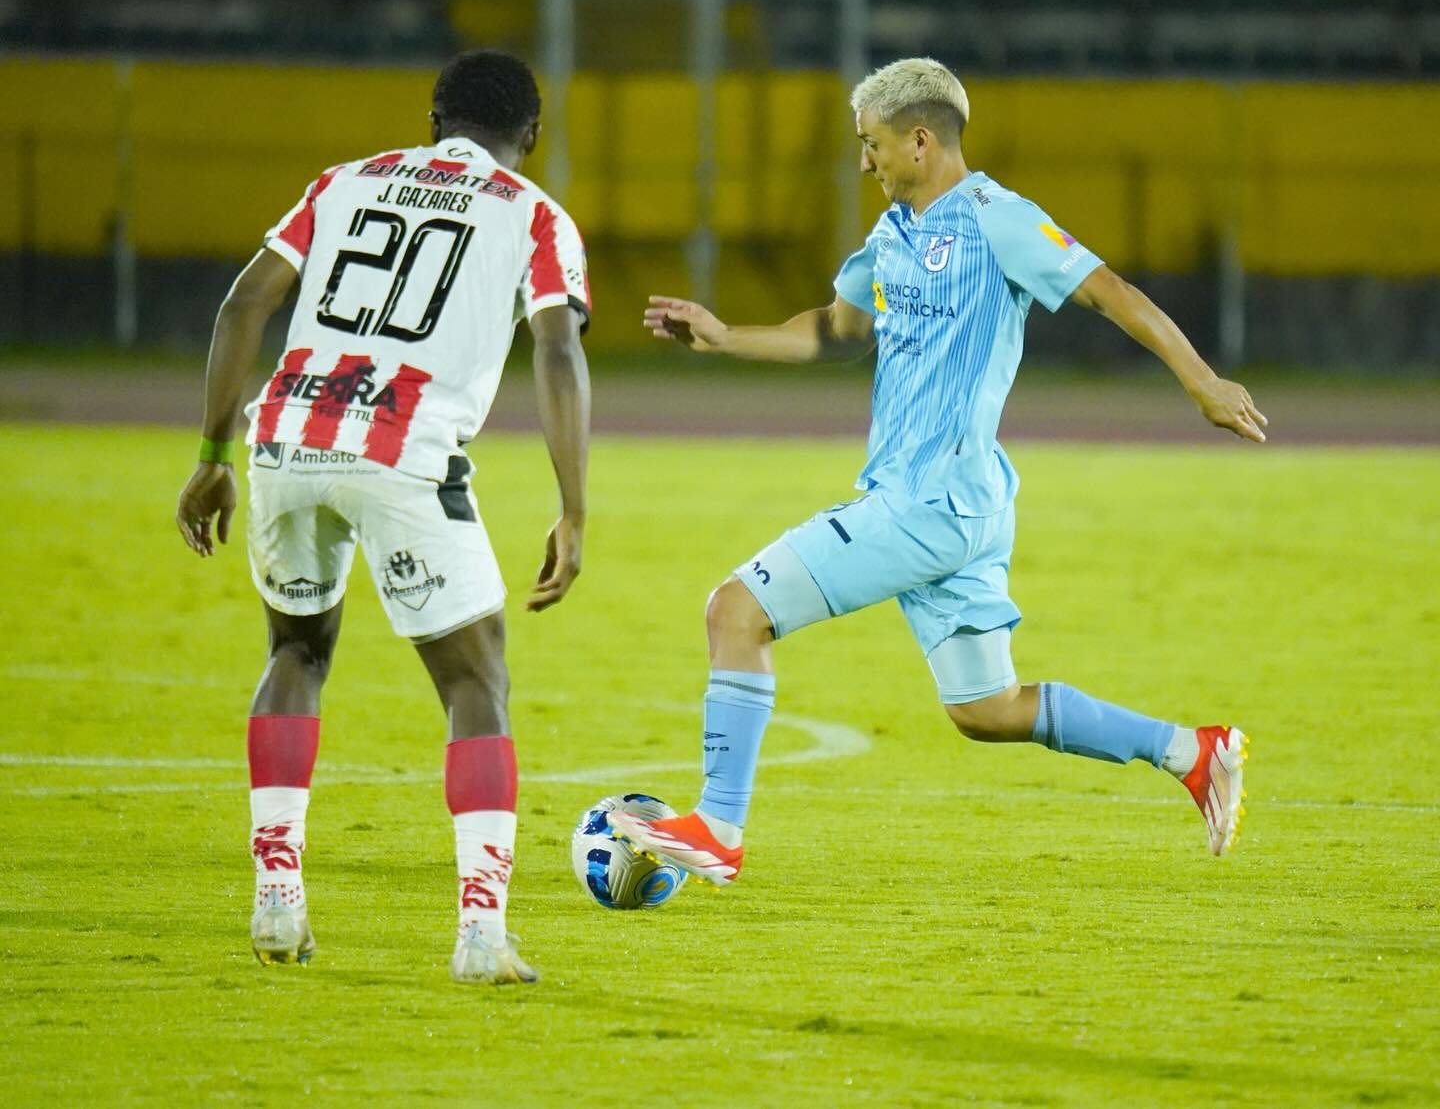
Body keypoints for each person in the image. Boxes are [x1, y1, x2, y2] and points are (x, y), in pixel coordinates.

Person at [611, 57, 1264, 886]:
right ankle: (1192, 752)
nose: (863, 162)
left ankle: (718, 829)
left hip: (929, 504)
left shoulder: (997, 218)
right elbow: (839, 326)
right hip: (967, 501)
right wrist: (725, 335)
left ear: (920, 140)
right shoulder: (894, 232)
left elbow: (1111, 290)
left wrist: (1202, 381)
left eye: (872, 145)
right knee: (986, 711)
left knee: (735, 611)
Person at [175, 49, 591, 984]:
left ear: (434, 115)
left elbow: (245, 302)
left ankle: (277, 893)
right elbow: (558, 352)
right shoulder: (534, 214)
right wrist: (572, 504)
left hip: (285, 438)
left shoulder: (343, 181)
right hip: (405, 449)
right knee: (475, 681)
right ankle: (481, 933)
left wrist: (212, 457)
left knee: (297, 652)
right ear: (530, 135)